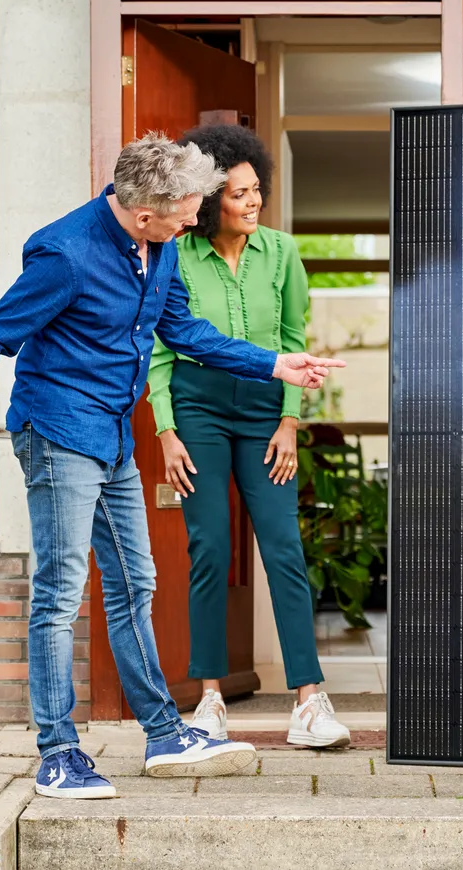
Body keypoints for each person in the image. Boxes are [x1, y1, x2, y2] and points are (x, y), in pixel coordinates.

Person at [0, 133, 344, 799]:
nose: (196, 219)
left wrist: (275, 364)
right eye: (187, 211)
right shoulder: (65, 253)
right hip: (59, 432)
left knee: (135, 584)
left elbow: (185, 333)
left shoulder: (159, 250)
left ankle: (164, 733)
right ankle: (59, 753)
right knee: (62, 589)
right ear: (146, 211)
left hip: (114, 439)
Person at [147, 124, 350, 749]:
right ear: (211, 202)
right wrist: (166, 431)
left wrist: (290, 422)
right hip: (198, 409)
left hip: (266, 410)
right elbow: (160, 345)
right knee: (208, 551)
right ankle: (209, 700)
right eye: (239, 194)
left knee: (284, 548)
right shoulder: (175, 255)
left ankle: (309, 702)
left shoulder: (282, 253)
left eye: (256, 189)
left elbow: (293, 340)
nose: (253, 202)